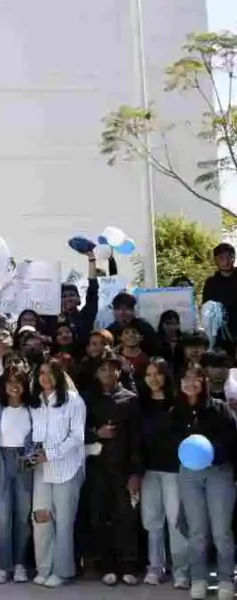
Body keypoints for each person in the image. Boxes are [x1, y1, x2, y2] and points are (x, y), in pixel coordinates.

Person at [172, 364, 237, 600]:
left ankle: (225, 579)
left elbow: (232, 440)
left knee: (221, 531)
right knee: (197, 530)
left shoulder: (219, 408)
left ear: (204, 381)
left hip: (218, 471)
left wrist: (210, 453)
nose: (190, 383)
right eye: (185, 379)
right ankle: (199, 578)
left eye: (195, 379)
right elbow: (173, 443)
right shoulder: (176, 411)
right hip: (189, 473)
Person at [84, 351, 142, 586]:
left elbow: (137, 439)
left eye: (112, 368)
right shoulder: (88, 399)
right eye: (103, 369)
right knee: (99, 517)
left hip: (123, 469)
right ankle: (106, 565)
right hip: (96, 467)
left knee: (125, 517)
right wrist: (96, 433)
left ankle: (127, 565)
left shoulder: (130, 399)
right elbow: (76, 430)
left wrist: (136, 473)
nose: (108, 373)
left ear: (119, 371)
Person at [30, 359, 86, 588]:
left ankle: (63, 571)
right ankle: (44, 567)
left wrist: (50, 454)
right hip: (41, 470)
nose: (45, 377)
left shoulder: (73, 401)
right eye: (41, 373)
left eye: (50, 373)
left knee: (64, 521)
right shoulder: (34, 402)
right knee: (41, 518)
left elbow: (77, 437)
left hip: (67, 469)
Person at [139, 358, 188, 588]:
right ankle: (155, 567)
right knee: (152, 522)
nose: (153, 378)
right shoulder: (141, 403)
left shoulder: (179, 402)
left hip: (174, 470)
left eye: (157, 373)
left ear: (165, 375)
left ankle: (181, 571)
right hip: (149, 469)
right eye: (148, 374)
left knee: (175, 521)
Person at [0, 365, 33, 584]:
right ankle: (3, 565)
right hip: (0, 462)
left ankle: (20, 564)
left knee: (22, 516)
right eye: (10, 382)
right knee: (2, 518)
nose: (14, 386)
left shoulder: (33, 408)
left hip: (25, 465)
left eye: (19, 381)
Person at [202, 242, 237, 353]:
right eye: (221, 258)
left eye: (229, 257)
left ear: (234, 258)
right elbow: (206, 307)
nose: (226, 261)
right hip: (218, 333)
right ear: (216, 260)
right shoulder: (211, 283)